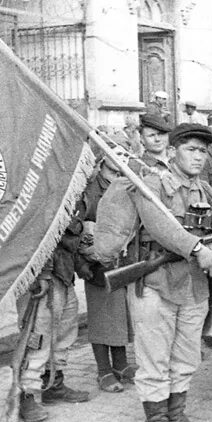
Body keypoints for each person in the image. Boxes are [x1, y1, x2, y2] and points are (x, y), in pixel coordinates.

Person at [93, 123, 212, 422]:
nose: (198, 156)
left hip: (194, 287)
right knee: (154, 360)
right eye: (191, 149)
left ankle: (177, 417)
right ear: (173, 150)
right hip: (156, 285)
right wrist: (197, 249)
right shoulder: (150, 183)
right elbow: (162, 228)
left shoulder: (203, 190)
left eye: (203, 151)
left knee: (186, 358)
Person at [18, 207, 91, 422]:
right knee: (38, 338)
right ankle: (26, 393)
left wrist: (81, 266)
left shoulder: (73, 191)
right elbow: (32, 234)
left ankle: (53, 384)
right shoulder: (39, 187)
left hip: (63, 274)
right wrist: (40, 274)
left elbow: (69, 240)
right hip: (42, 277)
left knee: (64, 334)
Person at [77, 140, 138, 394]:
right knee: (102, 317)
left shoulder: (128, 182)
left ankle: (121, 365)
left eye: (124, 153)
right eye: (114, 153)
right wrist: (84, 260)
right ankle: (103, 370)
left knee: (120, 316)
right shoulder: (88, 189)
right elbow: (78, 226)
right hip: (97, 263)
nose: (120, 158)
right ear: (102, 158)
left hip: (122, 261)